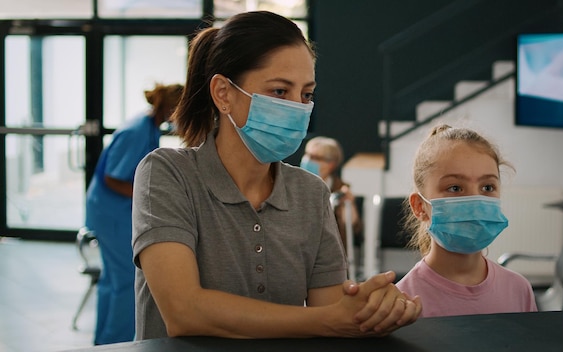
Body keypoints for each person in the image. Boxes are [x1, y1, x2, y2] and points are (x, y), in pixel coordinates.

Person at [131, 11, 421, 340]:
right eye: (280, 92)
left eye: (306, 94)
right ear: (223, 93)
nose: (297, 107)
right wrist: (326, 320)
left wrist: (376, 309)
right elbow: (184, 312)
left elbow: (332, 310)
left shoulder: (310, 192)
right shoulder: (167, 173)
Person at [395, 124, 537, 318]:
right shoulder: (403, 302)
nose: (475, 201)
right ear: (420, 206)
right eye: (455, 188)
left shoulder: (519, 290)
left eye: (487, 187)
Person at [85, 82, 183, 345]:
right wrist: (149, 195)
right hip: (112, 213)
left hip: (106, 209)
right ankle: (115, 345)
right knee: (127, 281)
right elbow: (114, 178)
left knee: (111, 280)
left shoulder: (148, 125)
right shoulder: (138, 131)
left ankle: (102, 343)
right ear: (173, 107)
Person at [300, 136, 363, 253]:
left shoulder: (340, 190)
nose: (307, 160)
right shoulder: (294, 184)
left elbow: (352, 227)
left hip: (328, 250)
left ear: (331, 164)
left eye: (315, 157)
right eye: (307, 154)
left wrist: (349, 204)